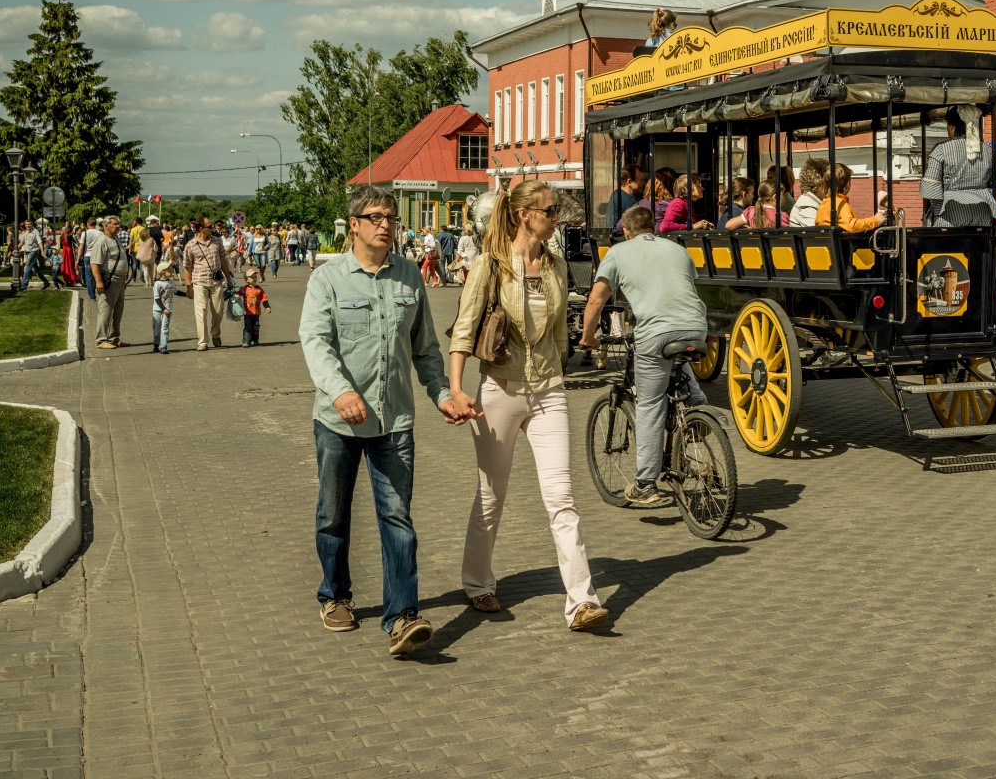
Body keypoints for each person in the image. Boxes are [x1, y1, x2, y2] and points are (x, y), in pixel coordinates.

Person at [299, 186, 462, 656]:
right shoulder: (327, 279)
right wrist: (342, 390)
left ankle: (402, 617)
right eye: (375, 217)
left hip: (394, 420)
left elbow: (425, 347)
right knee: (333, 513)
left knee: (397, 517)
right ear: (354, 223)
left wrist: (441, 394)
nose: (385, 225)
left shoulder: (409, 275)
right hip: (338, 419)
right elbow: (315, 342)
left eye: (391, 217)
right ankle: (335, 594)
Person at [446, 181, 607, 631]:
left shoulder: (556, 268)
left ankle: (581, 601)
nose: (558, 217)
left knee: (562, 498)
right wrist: (457, 389)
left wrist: (562, 376)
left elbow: (558, 332)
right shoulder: (491, 265)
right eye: (552, 210)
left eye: (558, 210)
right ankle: (477, 582)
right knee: (492, 497)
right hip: (499, 390)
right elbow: (463, 329)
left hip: (549, 391)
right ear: (525, 215)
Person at [578, 205, 709, 507]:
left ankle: (644, 483)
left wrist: (588, 338)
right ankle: (698, 406)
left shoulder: (618, 252)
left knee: (650, 403)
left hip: (656, 332)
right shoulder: (678, 250)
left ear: (626, 231)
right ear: (655, 226)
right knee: (678, 365)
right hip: (696, 327)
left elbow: (597, 299)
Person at [921, 106, 996, 227]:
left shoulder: (941, 149)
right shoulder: (988, 151)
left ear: (952, 127)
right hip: (982, 218)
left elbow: (929, 190)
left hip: (949, 218)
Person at [182, 216, 233, 351]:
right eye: (209, 226)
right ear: (200, 228)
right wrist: (189, 287)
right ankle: (202, 341)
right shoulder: (190, 245)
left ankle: (215, 334)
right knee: (201, 311)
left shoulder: (217, 241)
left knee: (218, 312)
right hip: (199, 282)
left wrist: (228, 278)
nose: (213, 228)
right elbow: (187, 267)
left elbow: (223, 260)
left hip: (216, 281)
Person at [815, 163, 886, 233]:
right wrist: (875, 220)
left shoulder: (823, 203)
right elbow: (851, 225)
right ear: (847, 185)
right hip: (836, 244)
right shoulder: (840, 204)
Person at [91, 216, 129, 350]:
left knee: (118, 310)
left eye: (119, 224)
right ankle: (101, 340)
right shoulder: (101, 241)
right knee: (106, 310)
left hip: (120, 280)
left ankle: (114, 338)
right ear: (106, 226)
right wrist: (99, 281)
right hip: (109, 280)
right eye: (115, 224)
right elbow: (95, 263)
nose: (118, 226)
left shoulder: (115, 238)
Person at [789, 159, 830, 227]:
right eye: (827, 183)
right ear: (818, 183)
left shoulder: (812, 202)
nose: (830, 188)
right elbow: (818, 233)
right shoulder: (806, 204)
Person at [238, 269, 272, 346]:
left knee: (256, 327)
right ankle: (246, 341)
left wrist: (267, 307)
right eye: (251, 277)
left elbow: (264, 299)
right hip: (247, 312)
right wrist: (234, 292)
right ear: (246, 279)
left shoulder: (259, 289)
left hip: (256, 312)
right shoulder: (244, 289)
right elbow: (237, 295)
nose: (254, 279)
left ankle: (256, 340)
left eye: (255, 277)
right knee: (248, 327)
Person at [18, 219, 53, 289]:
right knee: (35, 269)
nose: (27, 225)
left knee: (27, 268)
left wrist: (42, 251)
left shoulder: (35, 231)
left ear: (32, 224)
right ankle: (46, 282)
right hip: (28, 252)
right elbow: (22, 242)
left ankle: (23, 285)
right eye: (26, 224)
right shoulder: (26, 232)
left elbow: (39, 241)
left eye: (29, 224)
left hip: (34, 252)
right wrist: (16, 249)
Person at [609, 164, 646, 229]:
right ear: (629, 182)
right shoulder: (629, 201)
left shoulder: (616, 193)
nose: (644, 183)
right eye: (641, 180)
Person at [152, 263, 177, 354]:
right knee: (156, 328)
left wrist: (187, 294)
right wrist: (163, 308)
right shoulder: (157, 284)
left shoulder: (171, 282)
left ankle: (163, 347)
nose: (172, 271)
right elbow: (157, 298)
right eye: (169, 270)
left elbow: (176, 291)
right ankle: (156, 344)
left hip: (168, 309)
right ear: (163, 272)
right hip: (158, 309)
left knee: (165, 328)